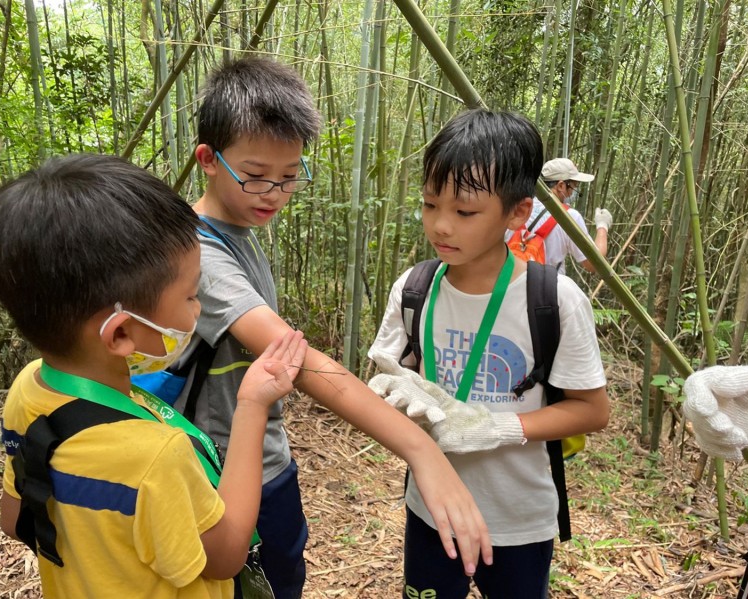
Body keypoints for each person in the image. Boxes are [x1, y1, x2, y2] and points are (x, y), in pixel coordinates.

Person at [183, 56, 491, 598]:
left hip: (264, 461)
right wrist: (420, 451)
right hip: (220, 477)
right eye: (255, 176)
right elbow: (297, 362)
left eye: (288, 176)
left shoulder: (238, 232)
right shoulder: (198, 257)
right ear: (208, 159)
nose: (274, 193)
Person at [0, 154, 308, 598]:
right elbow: (226, 554)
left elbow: (15, 520)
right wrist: (251, 406)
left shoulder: (30, 387)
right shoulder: (155, 457)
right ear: (121, 332)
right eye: (191, 296)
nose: (198, 310)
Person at [369, 109, 610, 598]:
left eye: (464, 212)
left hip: (519, 519)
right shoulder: (414, 289)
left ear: (517, 213)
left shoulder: (555, 300)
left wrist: (498, 426)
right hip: (430, 511)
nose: (440, 226)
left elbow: (592, 410)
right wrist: (395, 395)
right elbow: (389, 382)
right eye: (429, 205)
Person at [527, 157, 612, 275]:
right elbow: (594, 264)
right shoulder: (569, 217)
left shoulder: (521, 208)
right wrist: (602, 226)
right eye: (573, 186)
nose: (573, 193)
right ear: (561, 185)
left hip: (512, 286)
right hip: (547, 288)